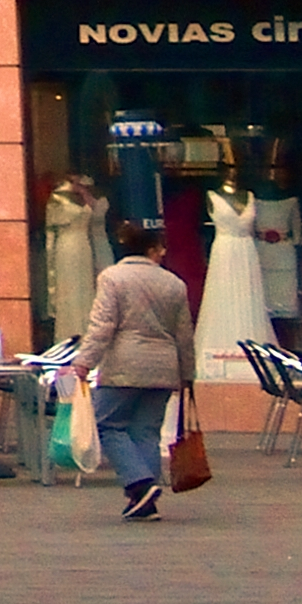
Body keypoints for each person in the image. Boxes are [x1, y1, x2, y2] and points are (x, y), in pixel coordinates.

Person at [80, 217, 199, 519]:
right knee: (146, 431)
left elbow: (102, 326)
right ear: (150, 249)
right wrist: (187, 373)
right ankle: (145, 500)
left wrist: (83, 363)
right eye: (160, 247)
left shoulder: (112, 278)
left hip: (125, 364)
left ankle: (140, 483)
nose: (163, 253)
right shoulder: (174, 283)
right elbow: (184, 333)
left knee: (105, 423)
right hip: (164, 366)